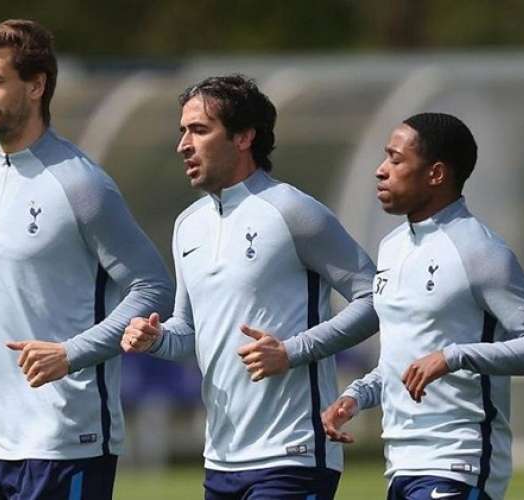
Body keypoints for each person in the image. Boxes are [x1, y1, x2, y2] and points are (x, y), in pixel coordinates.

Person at [122, 74, 379, 499]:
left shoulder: (294, 211)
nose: (183, 144)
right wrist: (155, 339)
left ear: (244, 137)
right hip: (221, 458)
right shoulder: (188, 225)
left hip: (293, 455)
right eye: (182, 131)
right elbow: (188, 336)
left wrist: (292, 351)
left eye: (199, 130)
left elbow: (373, 298)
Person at [320, 113, 524, 500]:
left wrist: (453, 357)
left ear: (435, 174)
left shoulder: (480, 250)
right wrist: (355, 396)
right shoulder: (392, 246)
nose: (381, 171)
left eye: (396, 160)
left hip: (459, 462)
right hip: (401, 463)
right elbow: (401, 361)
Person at [0, 19, 173, 499]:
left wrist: (70, 354)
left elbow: (154, 289)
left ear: (37, 85)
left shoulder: (81, 184)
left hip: (67, 442)